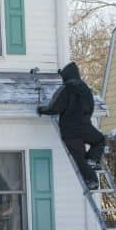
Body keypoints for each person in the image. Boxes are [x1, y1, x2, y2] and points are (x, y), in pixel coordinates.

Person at [37, 61, 105, 190]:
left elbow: (55, 107)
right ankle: (92, 160)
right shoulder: (85, 89)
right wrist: (85, 118)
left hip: (70, 131)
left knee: (80, 158)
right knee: (99, 140)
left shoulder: (66, 89)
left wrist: (42, 110)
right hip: (85, 126)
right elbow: (91, 107)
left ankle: (92, 181)